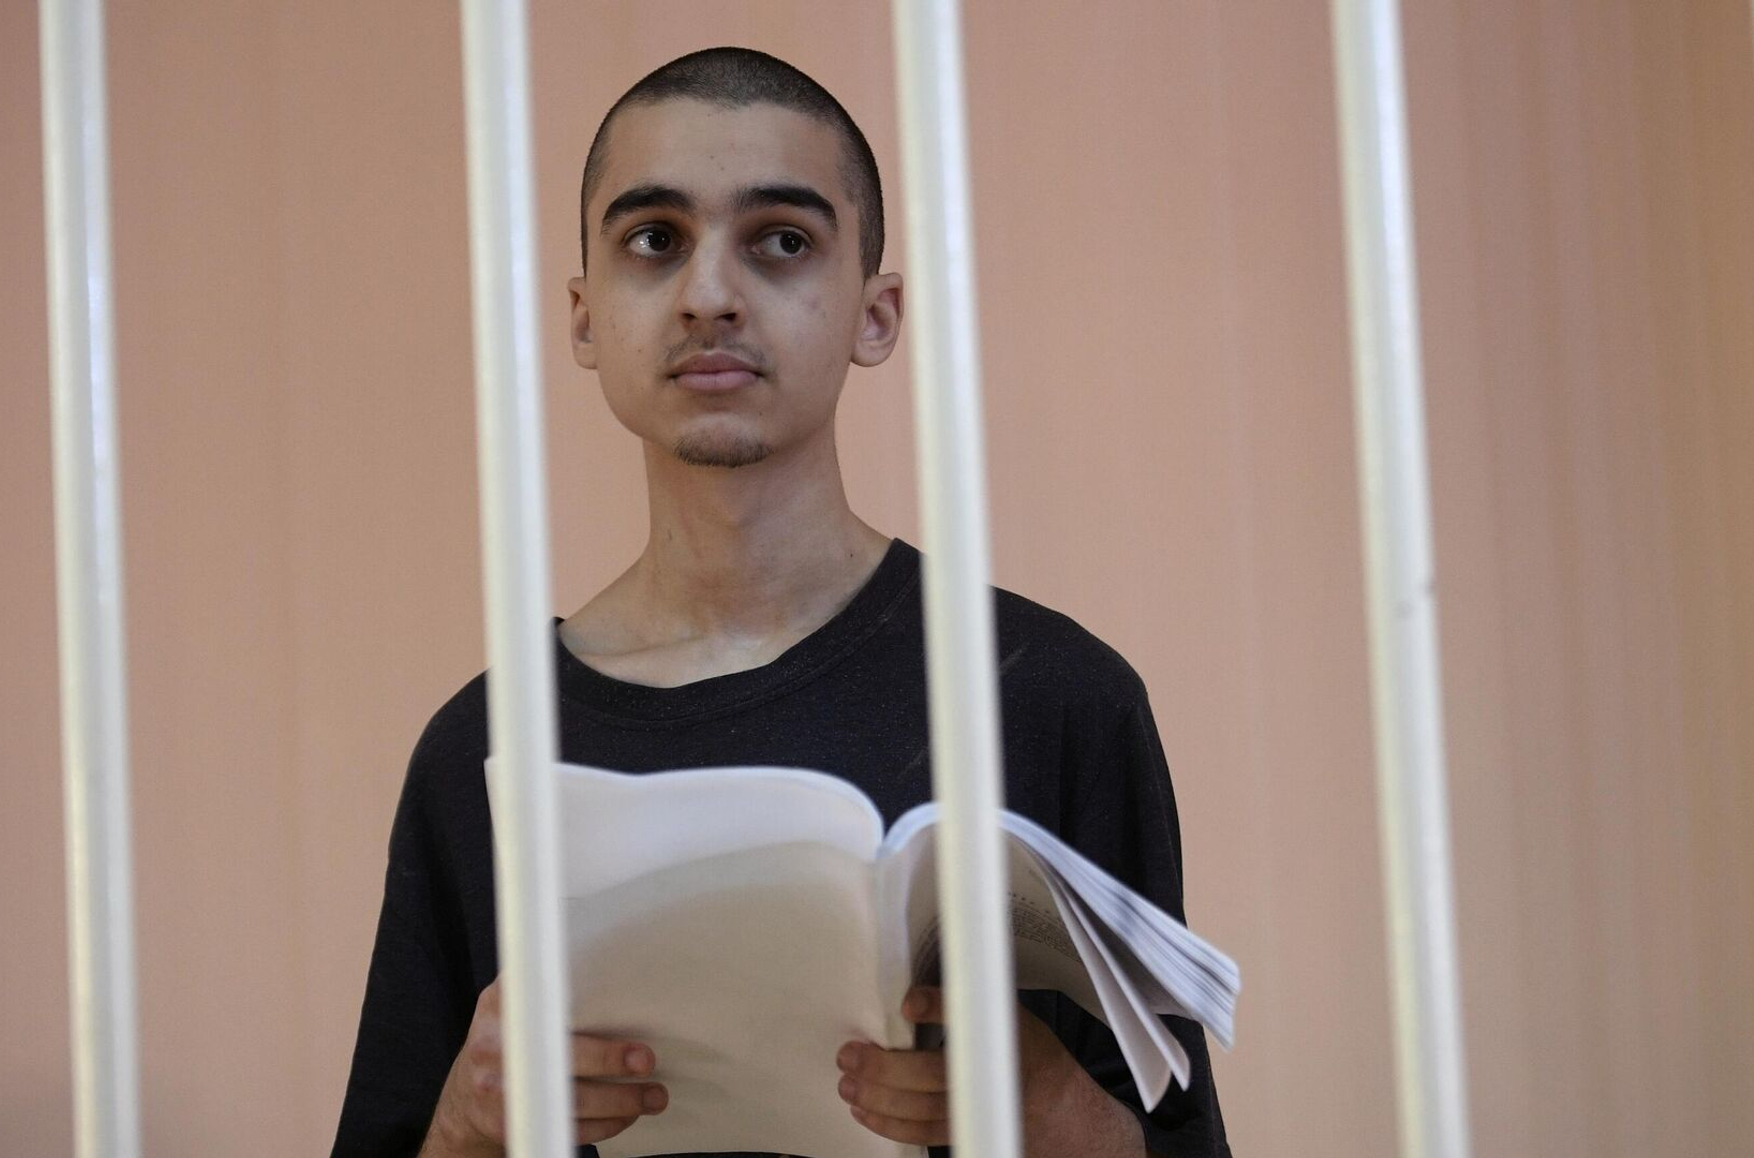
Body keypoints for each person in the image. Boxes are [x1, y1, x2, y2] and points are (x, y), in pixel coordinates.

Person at [332, 45, 1228, 1158]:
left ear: (875, 314)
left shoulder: (1052, 698)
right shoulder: (483, 747)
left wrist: (1048, 1110)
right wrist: (468, 1124)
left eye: (782, 242)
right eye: (653, 240)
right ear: (582, 315)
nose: (710, 295)